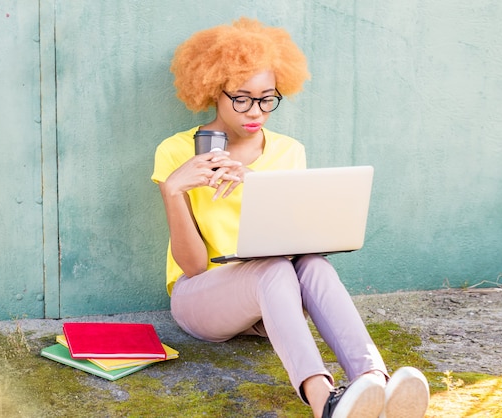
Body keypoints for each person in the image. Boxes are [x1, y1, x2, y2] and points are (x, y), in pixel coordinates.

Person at [151, 17, 429, 418]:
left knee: (312, 262)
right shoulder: (177, 151)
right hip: (201, 298)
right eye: (242, 98)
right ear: (214, 91)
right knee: (273, 270)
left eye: (267, 98)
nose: (256, 111)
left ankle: (376, 385)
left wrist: (256, 184)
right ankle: (324, 402)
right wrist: (172, 190)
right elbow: (193, 267)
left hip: (272, 302)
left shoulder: (289, 152)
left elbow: (296, 244)